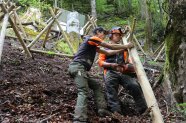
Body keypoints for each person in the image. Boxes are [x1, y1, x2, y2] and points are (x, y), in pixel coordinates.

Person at [68, 27, 134, 123]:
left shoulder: (93, 44)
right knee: (83, 90)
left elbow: (107, 52)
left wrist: (122, 50)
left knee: (97, 86)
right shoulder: (92, 38)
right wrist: (126, 46)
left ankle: (102, 109)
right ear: (98, 32)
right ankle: (79, 119)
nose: (104, 36)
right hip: (77, 67)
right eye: (103, 33)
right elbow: (110, 46)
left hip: (81, 70)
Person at [98, 27, 147, 115]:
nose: (118, 37)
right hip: (110, 71)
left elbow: (129, 62)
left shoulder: (125, 49)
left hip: (122, 72)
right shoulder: (105, 47)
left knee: (134, 86)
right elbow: (100, 62)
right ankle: (116, 112)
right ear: (111, 36)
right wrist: (111, 65)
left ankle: (143, 109)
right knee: (111, 88)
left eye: (119, 35)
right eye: (116, 35)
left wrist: (126, 67)